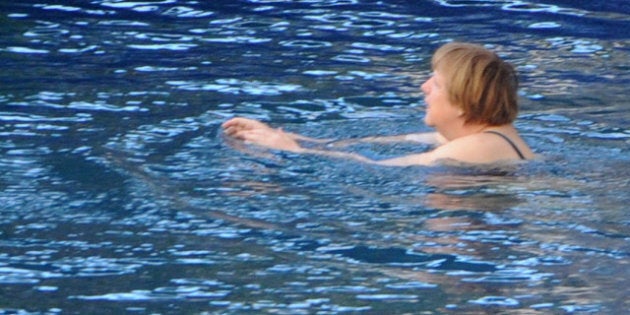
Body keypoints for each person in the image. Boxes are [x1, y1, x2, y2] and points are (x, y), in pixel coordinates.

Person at [222, 42, 535, 166]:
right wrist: (285, 137)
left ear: (463, 105)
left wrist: (296, 153)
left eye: (436, 84)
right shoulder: (482, 138)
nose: (424, 87)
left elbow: (378, 168)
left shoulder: (475, 148)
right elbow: (360, 144)